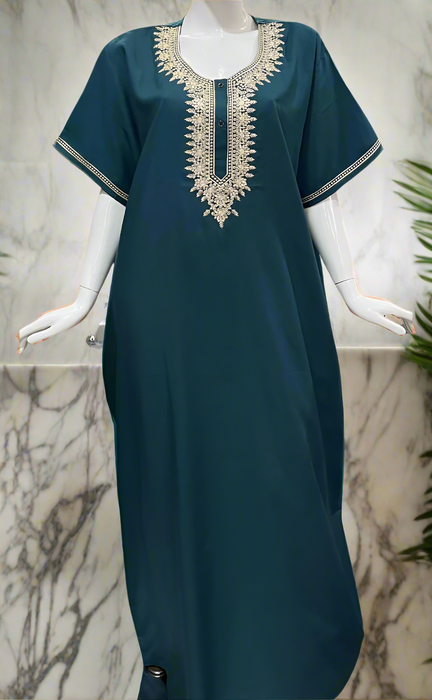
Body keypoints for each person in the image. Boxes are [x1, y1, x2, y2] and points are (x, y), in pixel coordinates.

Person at [17, 1, 414, 698]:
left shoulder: (302, 54)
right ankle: (191, 679)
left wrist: (351, 288)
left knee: (285, 495)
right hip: (163, 326)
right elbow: (116, 191)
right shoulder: (128, 60)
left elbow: (314, 187)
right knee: (177, 496)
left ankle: (279, 674)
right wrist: (82, 296)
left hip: (274, 316)